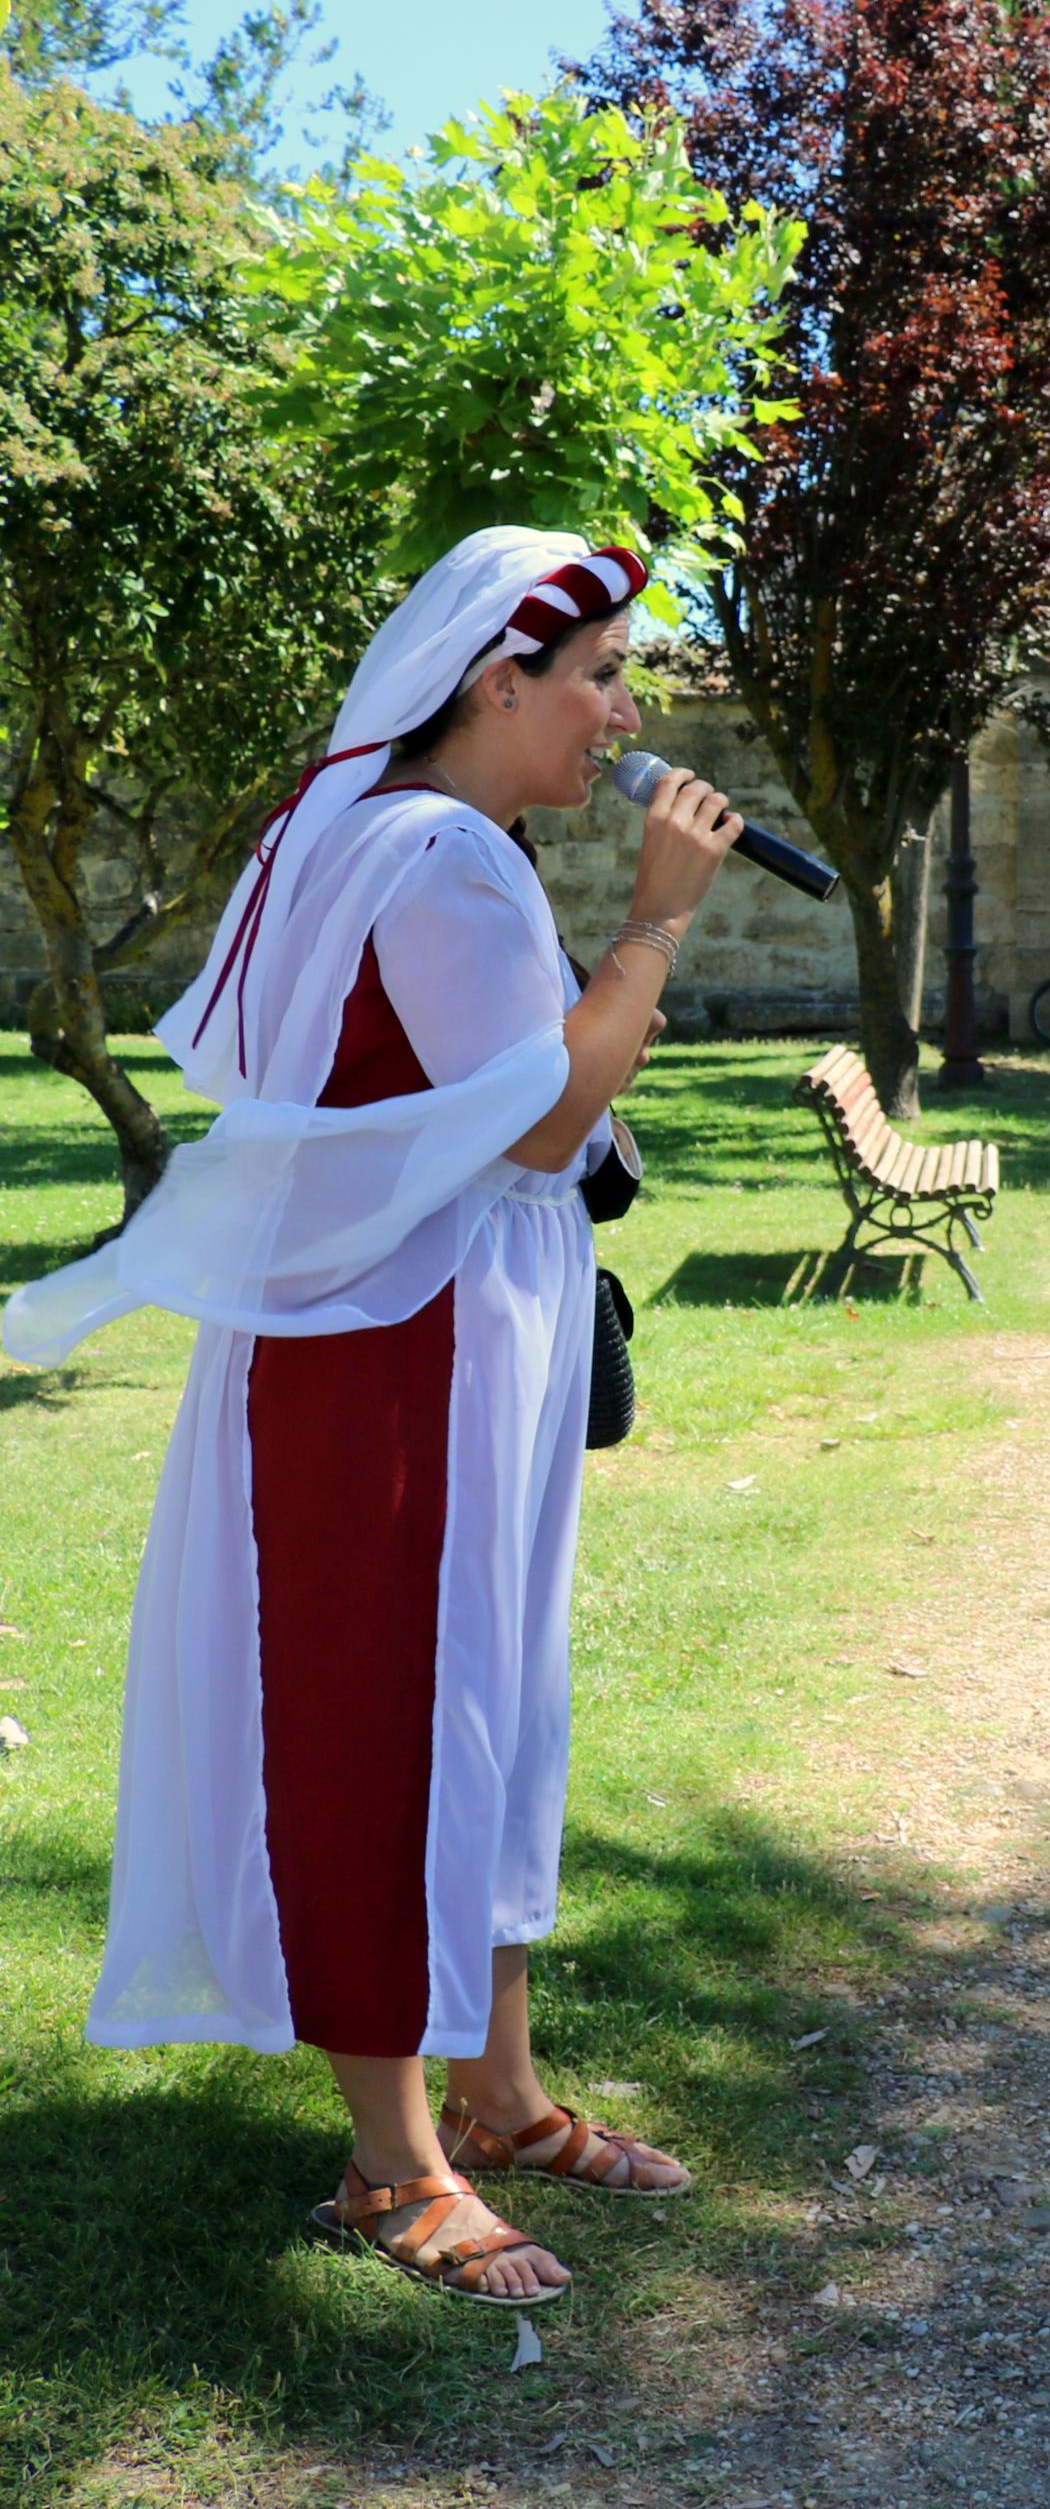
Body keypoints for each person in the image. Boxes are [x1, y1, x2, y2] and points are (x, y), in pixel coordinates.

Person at [3, 531, 742, 2306]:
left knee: (477, 1702)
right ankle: (391, 2164)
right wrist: (655, 920)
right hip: (397, 1360)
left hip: (423, 1342)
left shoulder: (396, 838)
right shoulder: (444, 865)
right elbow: (547, 1124)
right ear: (499, 682)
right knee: (389, 1719)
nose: (624, 713)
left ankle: (493, 2096)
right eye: (598, 678)